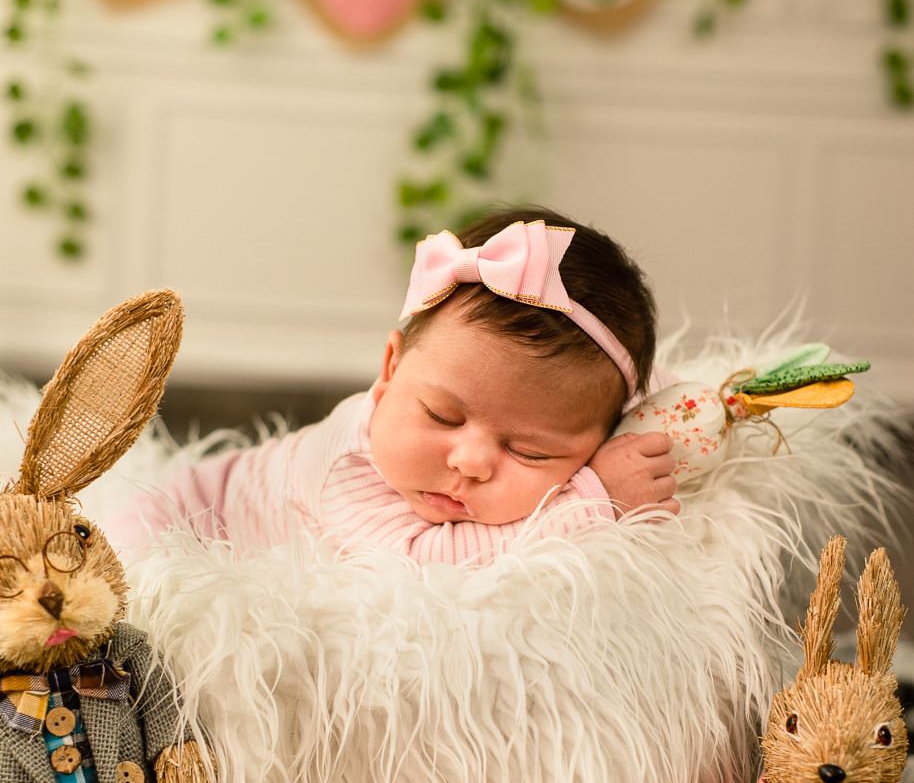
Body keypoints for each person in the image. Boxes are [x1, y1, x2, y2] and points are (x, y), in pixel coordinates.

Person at [107, 206, 678, 564]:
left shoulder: (558, 406)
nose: (471, 462)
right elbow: (429, 569)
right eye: (442, 416)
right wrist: (594, 500)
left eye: (530, 450)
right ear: (390, 370)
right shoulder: (350, 471)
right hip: (176, 529)